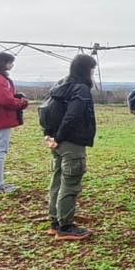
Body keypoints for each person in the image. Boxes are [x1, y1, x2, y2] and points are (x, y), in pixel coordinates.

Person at [44, 53, 98, 241]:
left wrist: (51, 136)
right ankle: (65, 226)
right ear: (86, 70)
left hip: (56, 141)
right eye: (91, 69)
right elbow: (73, 116)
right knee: (71, 183)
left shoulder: (61, 85)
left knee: (57, 180)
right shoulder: (81, 89)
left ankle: (55, 221)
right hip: (71, 142)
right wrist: (59, 137)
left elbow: (47, 111)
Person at [0, 51, 30, 195]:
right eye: (10, 62)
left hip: (0, 117)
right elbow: (5, 100)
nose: (12, 65)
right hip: (2, 117)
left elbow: (4, 97)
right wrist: (21, 102)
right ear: (4, 63)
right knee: (0, 151)